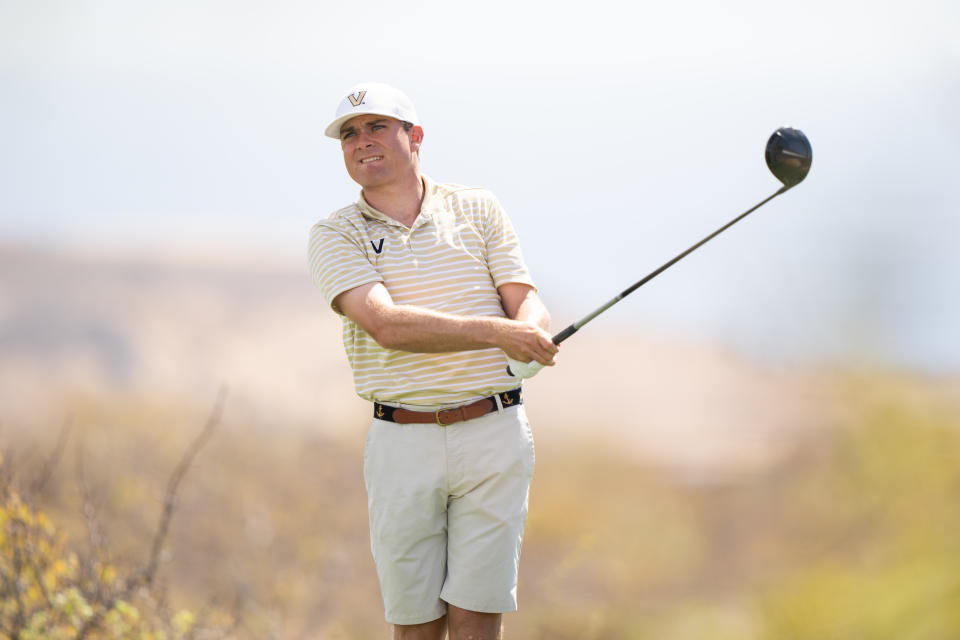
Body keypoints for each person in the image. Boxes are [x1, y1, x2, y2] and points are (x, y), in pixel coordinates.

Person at [308, 82, 558, 639]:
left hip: (494, 432)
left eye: (377, 127)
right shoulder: (334, 233)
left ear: (414, 136)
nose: (361, 142)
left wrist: (532, 329)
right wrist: (498, 334)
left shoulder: (478, 207)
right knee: (418, 626)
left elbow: (525, 297)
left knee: (476, 621)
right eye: (349, 134)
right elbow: (386, 325)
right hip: (403, 440)